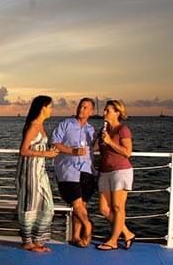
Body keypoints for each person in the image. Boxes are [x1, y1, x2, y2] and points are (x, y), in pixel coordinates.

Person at [52, 98, 97, 248]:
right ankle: (88, 226)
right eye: (80, 106)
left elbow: (94, 149)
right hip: (68, 170)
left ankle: (76, 237)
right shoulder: (65, 124)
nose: (81, 109)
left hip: (87, 169)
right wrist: (72, 151)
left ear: (91, 111)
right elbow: (55, 143)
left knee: (81, 205)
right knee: (77, 205)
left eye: (85, 108)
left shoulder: (91, 130)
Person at [16, 95, 59, 252]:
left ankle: (37, 240)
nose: (52, 110)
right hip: (30, 172)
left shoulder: (41, 126)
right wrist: (46, 154)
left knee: (47, 206)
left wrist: (48, 152)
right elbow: (24, 150)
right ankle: (28, 242)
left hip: (39, 171)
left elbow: (37, 148)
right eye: (50, 107)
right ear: (43, 108)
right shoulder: (34, 126)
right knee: (30, 205)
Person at [96, 100, 136, 250]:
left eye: (107, 110)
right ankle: (127, 233)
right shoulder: (104, 131)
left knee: (118, 207)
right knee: (104, 209)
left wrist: (109, 142)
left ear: (117, 112)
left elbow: (127, 152)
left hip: (121, 170)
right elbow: (96, 149)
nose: (104, 113)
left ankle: (113, 241)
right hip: (105, 171)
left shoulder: (123, 129)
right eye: (104, 110)